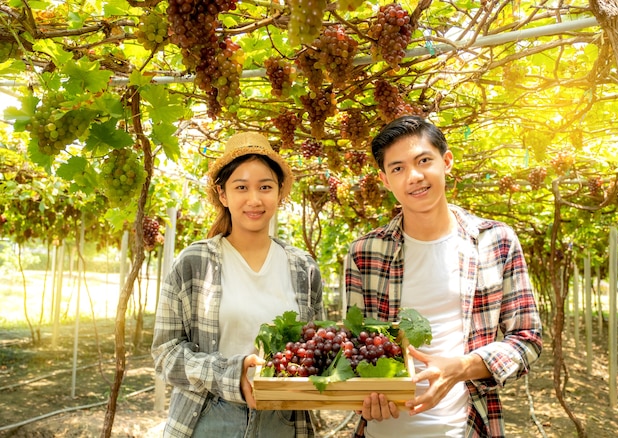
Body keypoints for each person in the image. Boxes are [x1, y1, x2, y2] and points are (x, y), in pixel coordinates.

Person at [344, 115, 543, 437]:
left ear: (446, 161)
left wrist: (460, 368)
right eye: (398, 168)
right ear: (384, 180)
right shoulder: (365, 253)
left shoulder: (496, 241)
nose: (414, 176)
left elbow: (527, 340)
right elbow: (355, 347)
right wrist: (359, 395)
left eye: (424, 161)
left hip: (465, 427)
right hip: (383, 429)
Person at [152, 132, 324, 438]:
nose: (254, 199)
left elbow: (319, 351)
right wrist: (232, 375)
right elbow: (166, 354)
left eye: (265, 187)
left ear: (280, 193)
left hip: (283, 421)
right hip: (208, 419)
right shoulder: (194, 262)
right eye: (241, 187)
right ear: (223, 194)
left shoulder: (303, 267)